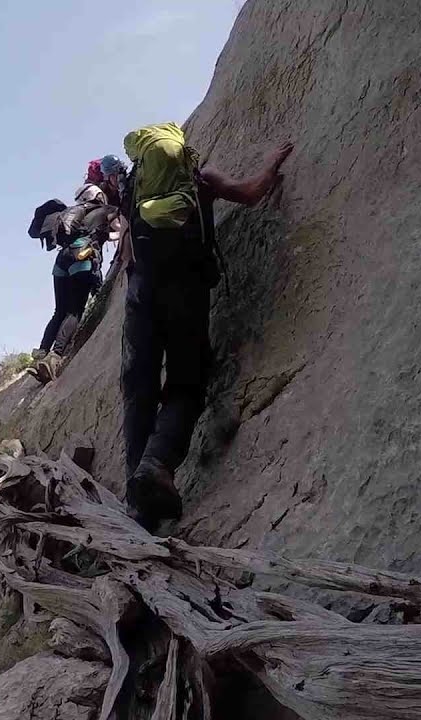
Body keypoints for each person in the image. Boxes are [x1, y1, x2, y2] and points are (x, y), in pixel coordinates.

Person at [121, 121, 293, 530]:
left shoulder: (133, 194)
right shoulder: (203, 179)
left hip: (140, 300)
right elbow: (252, 194)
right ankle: (156, 464)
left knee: (139, 392)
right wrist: (271, 164)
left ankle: (138, 500)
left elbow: (128, 255)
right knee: (187, 385)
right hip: (185, 297)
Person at [29, 184, 117, 382]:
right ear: (99, 196)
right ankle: (55, 356)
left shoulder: (73, 212)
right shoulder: (106, 210)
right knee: (74, 311)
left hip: (62, 259)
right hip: (82, 256)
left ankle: (41, 353)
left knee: (59, 311)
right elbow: (118, 230)